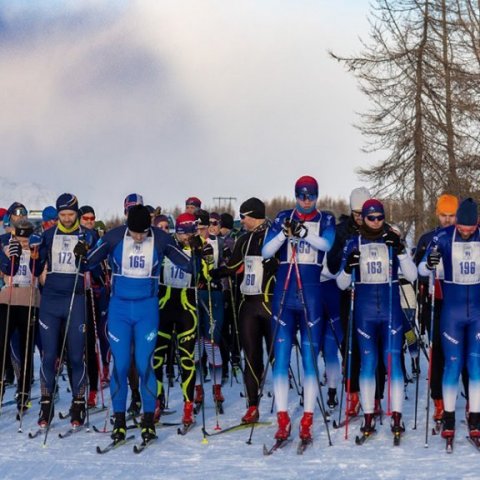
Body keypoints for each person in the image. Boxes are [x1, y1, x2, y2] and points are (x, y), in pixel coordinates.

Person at [83, 205, 192, 444]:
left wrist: (197, 253)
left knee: (145, 366)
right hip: (120, 310)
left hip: (147, 310)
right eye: (135, 233)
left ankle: (147, 421)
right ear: (127, 226)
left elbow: (187, 264)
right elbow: (88, 262)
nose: (139, 237)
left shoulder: (161, 239)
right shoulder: (114, 236)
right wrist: (84, 251)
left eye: (143, 233)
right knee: (120, 365)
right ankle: (120, 421)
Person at [262, 176, 335, 442]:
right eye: (302, 196)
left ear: (317, 196)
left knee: (308, 360)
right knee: (280, 359)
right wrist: (284, 232)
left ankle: (307, 417)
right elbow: (266, 252)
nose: (306, 201)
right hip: (284, 295)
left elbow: (326, 244)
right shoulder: (283, 216)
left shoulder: (325, 219)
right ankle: (282, 418)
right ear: (295, 195)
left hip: (312, 297)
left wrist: (304, 233)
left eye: (311, 196)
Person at [337, 199, 417, 438]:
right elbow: (341, 284)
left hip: (391, 312)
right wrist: (348, 268)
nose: (375, 222)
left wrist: (401, 252)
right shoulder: (354, 242)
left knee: (392, 362)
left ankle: (397, 416)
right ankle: (369, 414)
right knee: (368, 364)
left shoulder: (392, 239)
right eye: (370, 218)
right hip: (365, 313)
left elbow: (412, 275)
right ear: (363, 218)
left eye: (379, 218)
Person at [211, 198, 277, 423]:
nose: (242, 221)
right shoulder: (243, 239)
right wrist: (213, 273)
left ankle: (283, 407)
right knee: (251, 356)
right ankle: (252, 406)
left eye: (243, 217)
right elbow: (231, 267)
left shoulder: (273, 235)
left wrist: (275, 264)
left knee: (276, 355)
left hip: (269, 303)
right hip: (248, 304)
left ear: (254, 215)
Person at [418, 198, 480, 441]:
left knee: (475, 367)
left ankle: (475, 417)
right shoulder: (443, 236)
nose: (465, 233)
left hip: (477, 313)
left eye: (470, 229)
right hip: (451, 313)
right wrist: (429, 262)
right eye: (462, 229)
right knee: (452, 365)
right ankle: (449, 416)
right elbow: (423, 268)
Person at [29, 193, 91, 428]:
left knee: (76, 355)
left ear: (77, 214)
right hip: (51, 302)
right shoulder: (47, 235)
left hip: (75, 299)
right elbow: (35, 271)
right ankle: (46, 405)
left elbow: (93, 266)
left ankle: (78, 403)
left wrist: (86, 254)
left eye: (70, 215)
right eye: (62, 215)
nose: (66, 219)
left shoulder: (87, 234)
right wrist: (34, 253)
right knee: (48, 355)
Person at [326, 187, 371, 417]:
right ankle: (352, 395)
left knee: (372, 348)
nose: (360, 217)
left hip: (373, 295)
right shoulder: (341, 230)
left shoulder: (377, 225)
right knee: (350, 346)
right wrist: (346, 259)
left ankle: (374, 397)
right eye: (356, 213)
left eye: (363, 212)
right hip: (347, 294)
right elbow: (331, 264)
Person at [414, 193, 458, 425]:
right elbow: (416, 270)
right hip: (436, 302)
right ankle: (439, 402)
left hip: (462, 303)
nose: (448, 220)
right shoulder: (427, 238)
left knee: (466, 353)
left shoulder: (465, 236)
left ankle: (472, 402)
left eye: (452, 215)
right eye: (444, 215)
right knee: (438, 353)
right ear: (437, 214)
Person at [153, 213, 199, 427]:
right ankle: (157, 401)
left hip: (187, 310)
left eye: (191, 231)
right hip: (164, 308)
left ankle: (188, 405)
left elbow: (205, 277)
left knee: (187, 359)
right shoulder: (166, 248)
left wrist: (201, 255)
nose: (187, 236)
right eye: (183, 232)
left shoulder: (199, 248)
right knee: (157, 358)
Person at [0, 221, 39, 412]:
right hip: (7, 300)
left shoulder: (35, 249)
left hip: (29, 301)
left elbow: (42, 275)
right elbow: (4, 272)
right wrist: (9, 258)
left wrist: (35, 257)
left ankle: (24, 393)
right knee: (2, 347)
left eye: (26, 239)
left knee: (26, 350)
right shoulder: (7, 248)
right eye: (19, 239)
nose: (23, 243)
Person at [192, 209, 226, 412]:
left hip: (214, 296)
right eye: (196, 228)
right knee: (196, 343)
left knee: (212, 341)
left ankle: (216, 388)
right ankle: (198, 389)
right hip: (193, 296)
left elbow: (227, 266)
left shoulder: (218, 242)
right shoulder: (190, 243)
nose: (199, 232)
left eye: (203, 228)